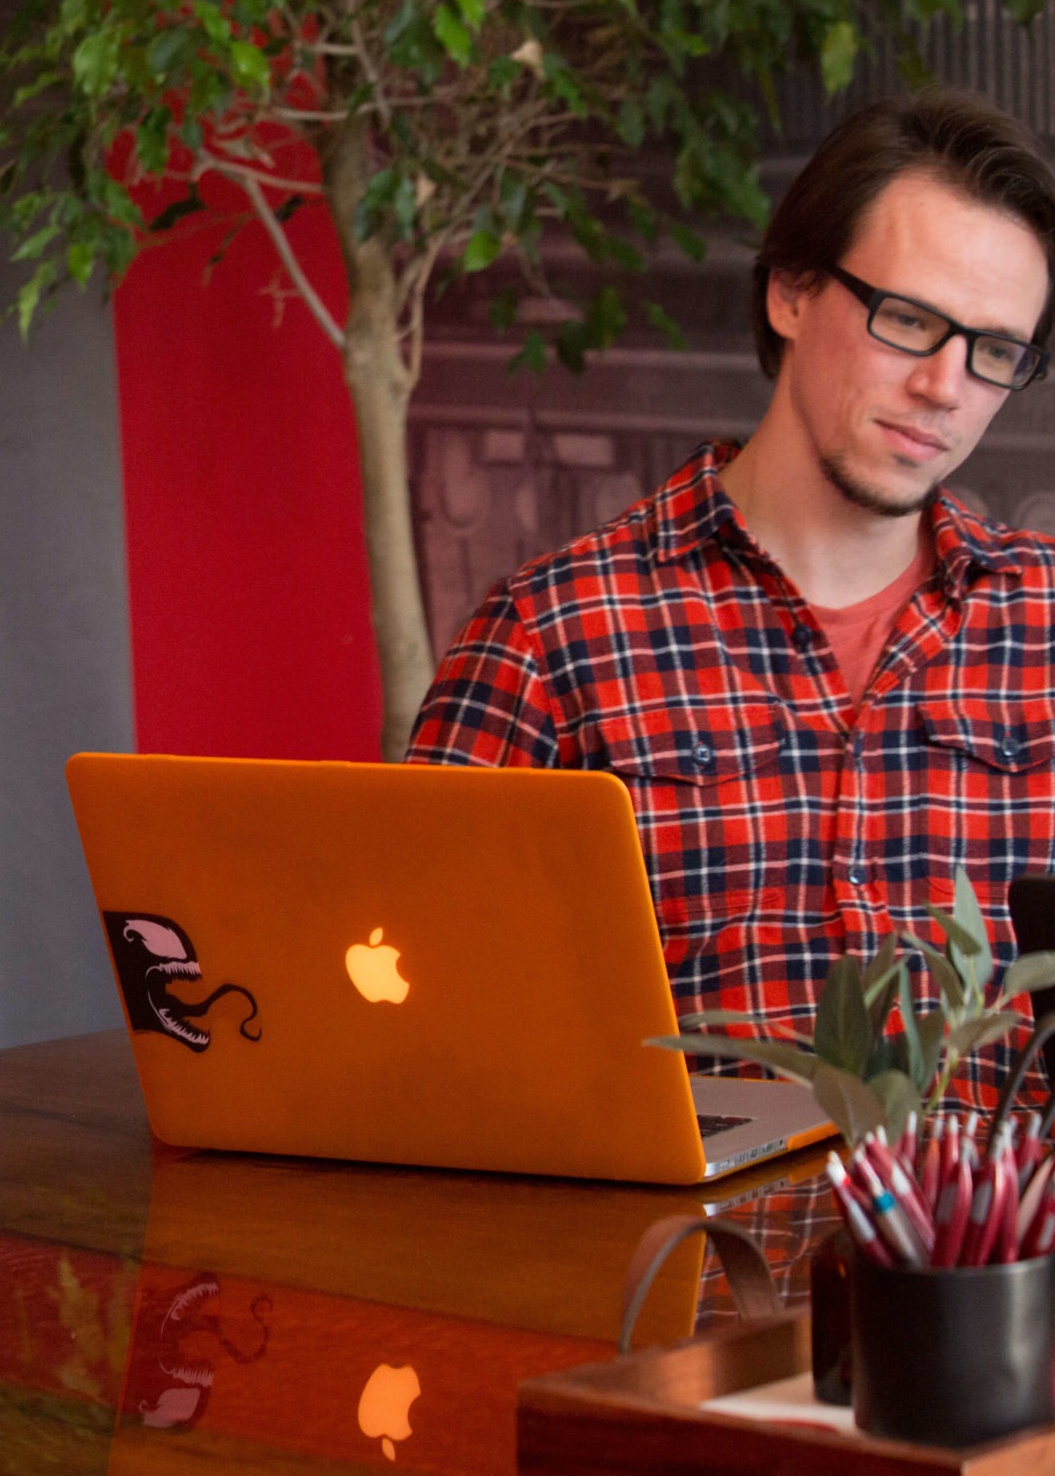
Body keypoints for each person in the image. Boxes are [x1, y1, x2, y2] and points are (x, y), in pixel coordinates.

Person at [410, 90, 1055, 1106]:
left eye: (995, 351)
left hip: (1000, 1257)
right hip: (685, 1256)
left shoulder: (1046, 628)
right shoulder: (553, 633)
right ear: (791, 293)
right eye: (910, 320)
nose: (947, 386)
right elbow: (418, 1016)